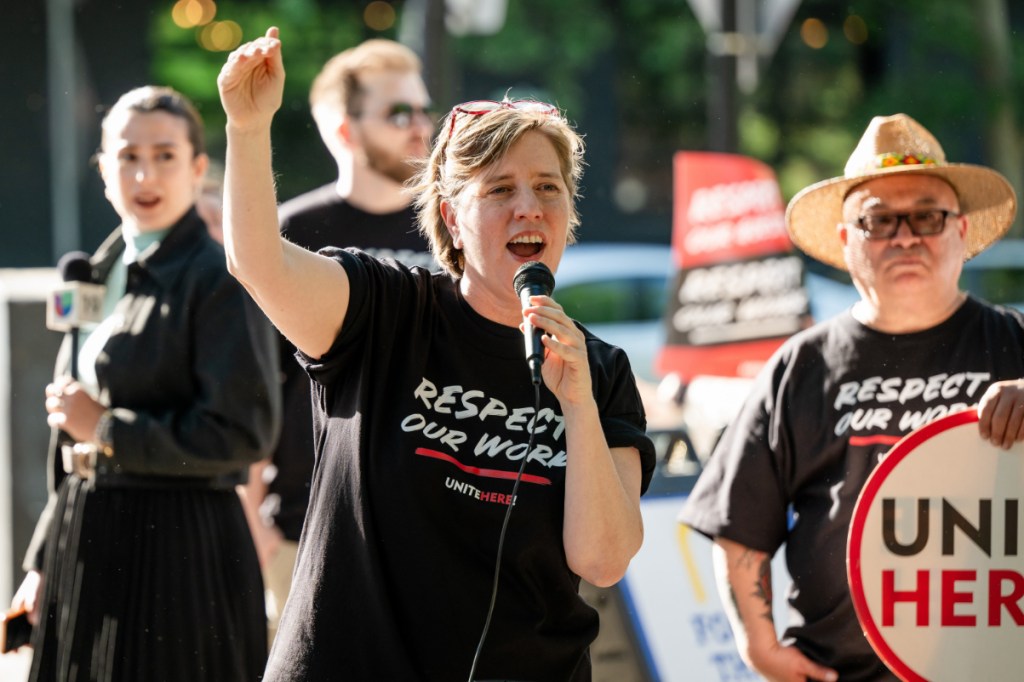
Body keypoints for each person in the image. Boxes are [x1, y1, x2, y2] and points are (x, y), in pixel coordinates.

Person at [217, 27, 656, 680]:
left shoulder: (602, 370)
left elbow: (604, 560)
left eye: (548, 187)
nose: (528, 208)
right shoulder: (385, 308)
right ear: (451, 217)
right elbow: (257, 262)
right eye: (500, 190)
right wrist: (248, 130)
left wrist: (577, 403)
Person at [680, 113, 1024, 682]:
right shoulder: (800, 366)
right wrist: (758, 644)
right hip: (838, 672)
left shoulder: (1015, 345)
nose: (906, 236)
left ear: (961, 231)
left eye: (927, 217)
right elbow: (740, 519)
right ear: (846, 242)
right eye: (879, 221)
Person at [11, 85, 281, 681]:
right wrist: (41, 560)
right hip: (87, 534)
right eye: (128, 156)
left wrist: (107, 428)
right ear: (103, 169)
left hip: (182, 550)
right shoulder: (97, 271)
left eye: (164, 155)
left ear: (198, 168)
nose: (144, 173)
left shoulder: (218, 278)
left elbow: (244, 434)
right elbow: (70, 438)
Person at [239, 37, 437, 644]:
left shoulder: (456, 231)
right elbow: (253, 382)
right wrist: (254, 526)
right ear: (343, 130)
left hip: (431, 526)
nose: (420, 127)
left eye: (424, 110)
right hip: (307, 528)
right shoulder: (294, 231)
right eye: (398, 113)